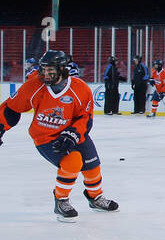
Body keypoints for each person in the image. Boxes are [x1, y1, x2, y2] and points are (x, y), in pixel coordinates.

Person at [0, 49, 119, 221]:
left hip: (74, 133)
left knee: (93, 167)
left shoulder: (80, 89)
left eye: (50, 70)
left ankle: (95, 197)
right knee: (73, 162)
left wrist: (73, 134)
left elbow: (86, 117)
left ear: (63, 69)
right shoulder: (34, 85)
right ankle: (61, 200)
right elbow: (12, 107)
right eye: (43, 69)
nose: (45, 74)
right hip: (45, 136)